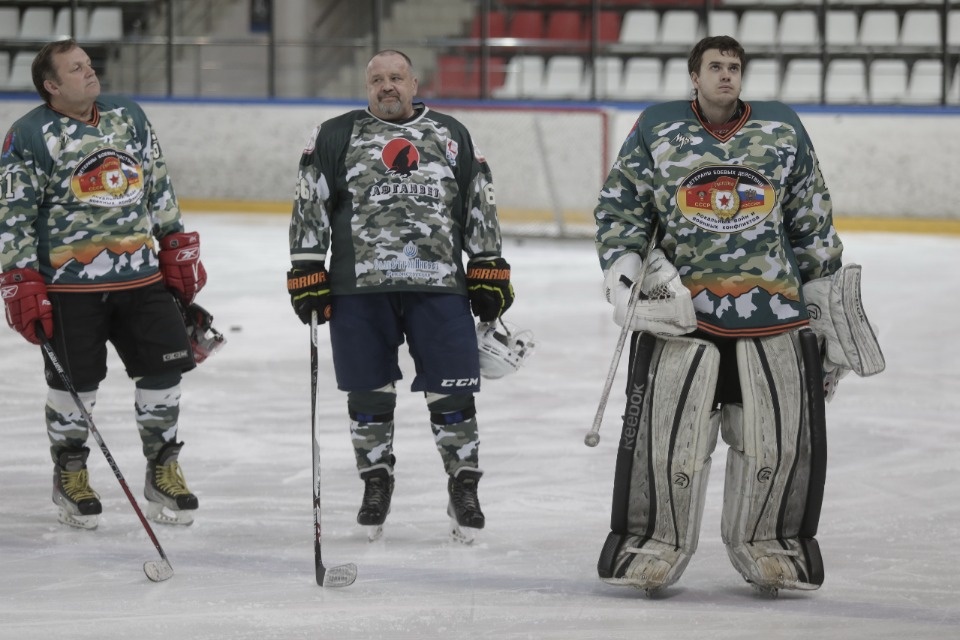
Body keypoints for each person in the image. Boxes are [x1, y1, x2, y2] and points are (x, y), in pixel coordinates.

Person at [592, 36, 884, 595]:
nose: (727, 75)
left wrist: (824, 311)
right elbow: (621, 203)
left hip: (772, 313)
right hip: (682, 318)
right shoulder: (657, 127)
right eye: (715, 67)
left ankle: (771, 547)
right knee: (669, 442)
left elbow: (812, 218)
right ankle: (652, 546)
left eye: (734, 67)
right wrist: (627, 269)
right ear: (693, 76)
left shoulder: (781, 128)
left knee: (773, 443)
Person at [287, 50, 514, 542]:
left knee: (453, 389)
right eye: (376, 80)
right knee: (368, 390)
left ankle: (464, 484)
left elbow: (478, 199)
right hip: (358, 289)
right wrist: (306, 269)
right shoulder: (335, 134)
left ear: (414, 83)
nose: (386, 86)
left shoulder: (451, 134)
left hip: (439, 286)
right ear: (366, 85)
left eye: (395, 78)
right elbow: (311, 200)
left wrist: (488, 264)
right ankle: (376, 479)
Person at [0, 39, 207, 529]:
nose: (90, 73)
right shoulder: (28, 136)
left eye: (89, 65)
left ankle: (163, 468)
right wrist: (19, 278)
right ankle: (70, 474)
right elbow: (14, 216)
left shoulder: (127, 115)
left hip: (142, 278)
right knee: (76, 386)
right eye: (76, 69)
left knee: (164, 373)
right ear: (51, 85)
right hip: (70, 289)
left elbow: (156, 181)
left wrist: (174, 240)